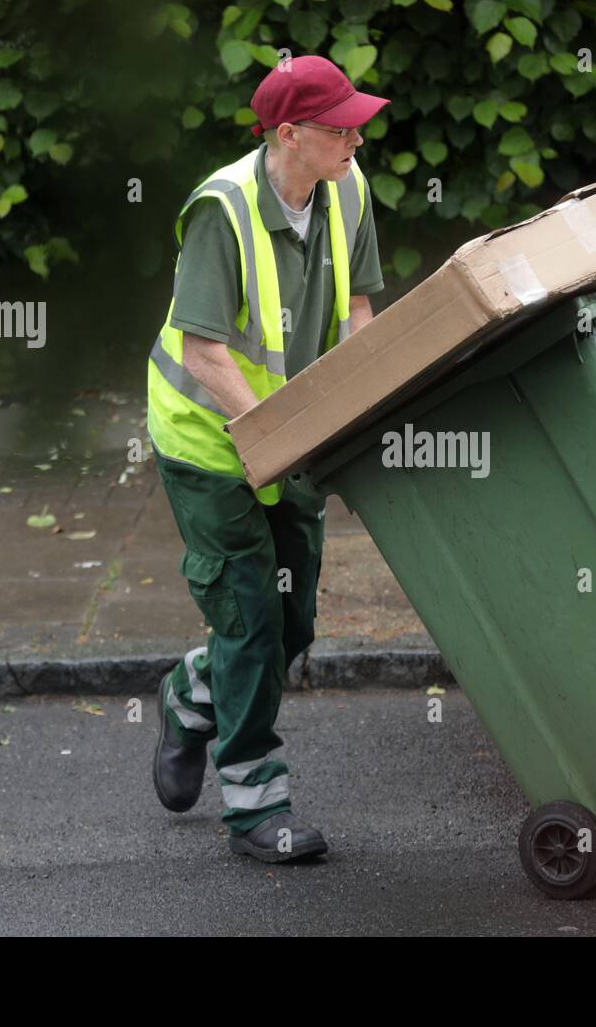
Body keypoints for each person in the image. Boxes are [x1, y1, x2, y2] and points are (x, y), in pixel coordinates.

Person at [146, 55, 388, 862]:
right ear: (290, 133)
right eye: (339, 124)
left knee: (291, 620)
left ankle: (189, 696)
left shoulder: (348, 187)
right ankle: (256, 804)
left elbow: (357, 306)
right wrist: (275, 436)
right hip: (208, 442)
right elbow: (205, 351)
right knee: (250, 615)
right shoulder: (222, 209)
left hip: (293, 441)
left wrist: (360, 407)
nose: (357, 133)